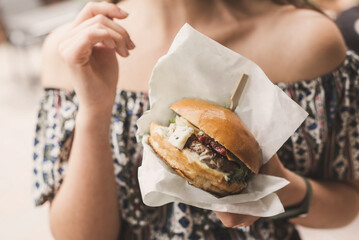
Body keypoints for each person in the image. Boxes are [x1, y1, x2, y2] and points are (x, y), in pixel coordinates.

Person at [32, 0, 359, 239]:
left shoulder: (308, 40)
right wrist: (94, 109)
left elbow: (347, 204)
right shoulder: (79, 48)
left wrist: (278, 188)